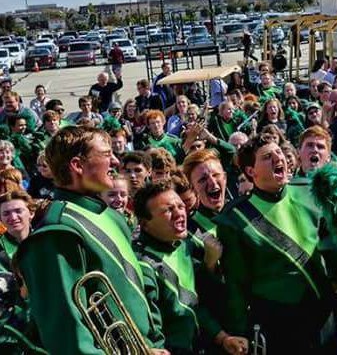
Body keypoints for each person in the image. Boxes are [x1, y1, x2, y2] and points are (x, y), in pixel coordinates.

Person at [14, 126, 167, 353]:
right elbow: (69, 338)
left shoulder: (111, 216)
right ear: (77, 165)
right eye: (106, 155)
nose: (115, 161)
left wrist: (149, 346)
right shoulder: (56, 232)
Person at [216, 135, 337, 355]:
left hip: (323, 313)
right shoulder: (235, 218)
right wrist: (238, 330)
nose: (277, 158)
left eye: (278, 152)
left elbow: (336, 244)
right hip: (278, 322)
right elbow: (235, 282)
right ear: (251, 172)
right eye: (266, 157)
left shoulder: (309, 189)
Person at [133, 183, 247, 355]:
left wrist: (223, 338)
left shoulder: (184, 246)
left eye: (180, 206)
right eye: (168, 210)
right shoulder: (142, 264)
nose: (180, 213)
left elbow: (194, 306)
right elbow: (147, 326)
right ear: (145, 223)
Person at [0, 190, 42, 353]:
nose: (13, 217)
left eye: (18, 211)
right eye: (6, 213)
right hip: (16, 335)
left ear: (31, 213)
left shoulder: (47, 242)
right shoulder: (2, 253)